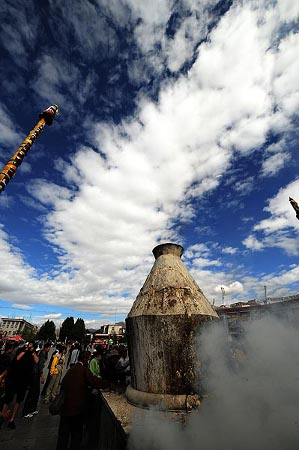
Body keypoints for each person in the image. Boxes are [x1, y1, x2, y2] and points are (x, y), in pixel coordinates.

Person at [56, 351, 110, 450]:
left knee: (63, 435)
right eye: (88, 359)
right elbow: (94, 381)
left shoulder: (72, 369)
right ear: (85, 359)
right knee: (76, 434)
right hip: (76, 409)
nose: (88, 361)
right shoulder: (83, 370)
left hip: (65, 409)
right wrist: (108, 384)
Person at [0, 341, 39, 429]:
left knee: (18, 400)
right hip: (14, 378)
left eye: (32, 346)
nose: (30, 346)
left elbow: (37, 360)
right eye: (30, 345)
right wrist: (26, 350)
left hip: (24, 381)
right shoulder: (22, 350)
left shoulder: (32, 354)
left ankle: (12, 419)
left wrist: (32, 352)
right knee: (8, 399)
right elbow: (17, 358)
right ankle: (2, 416)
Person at [22, 342, 52, 418]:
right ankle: (26, 411)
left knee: (36, 392)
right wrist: (42, 376)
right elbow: (39, 365)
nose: (49, 349)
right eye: (48, 347)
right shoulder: (42, 354)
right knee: (32, 393)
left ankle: (32, 409)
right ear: (45, 347)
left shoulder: (43, 353)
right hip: (35, 374)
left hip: (36, 374)